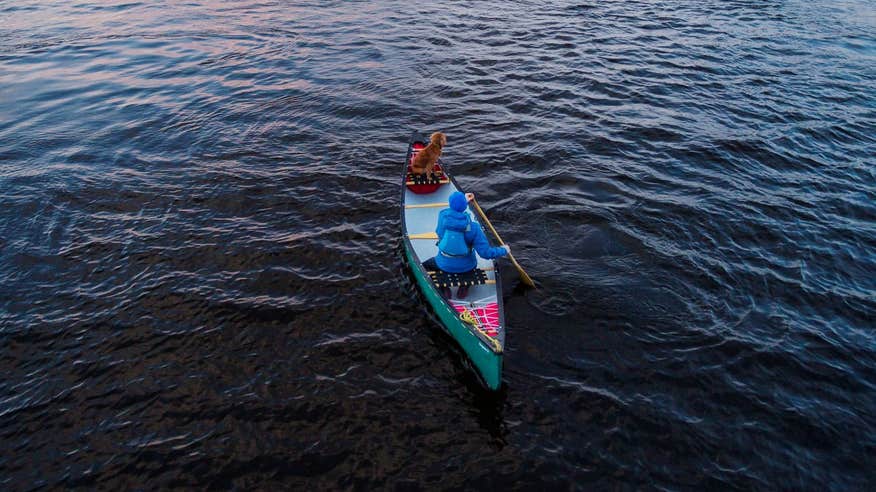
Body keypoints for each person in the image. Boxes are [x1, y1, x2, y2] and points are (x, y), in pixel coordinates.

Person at [422, 191, 510, 299]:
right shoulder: (474, 227)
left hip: (443, 265)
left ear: (450, 204)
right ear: (464, 207)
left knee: (424, 265)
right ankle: (464, 287)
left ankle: (444, 289)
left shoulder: (442, 217)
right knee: (471, 264)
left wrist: (462, 201)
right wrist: (504, 250)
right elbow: (485, 254)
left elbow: (440, 232)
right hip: (467, 267)